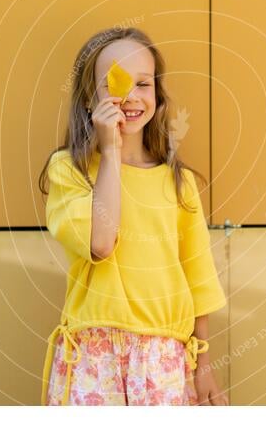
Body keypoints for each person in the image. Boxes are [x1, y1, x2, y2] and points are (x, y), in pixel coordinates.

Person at [38, 27, 229, 406]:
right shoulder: (69, 171)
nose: (131, 96)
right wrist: (110, 154)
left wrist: (204, 362)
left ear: (157, 96)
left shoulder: (179, 183)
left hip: (163, 358)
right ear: (89, 100)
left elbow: (198, 275)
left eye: (143, 83)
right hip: (94, 355)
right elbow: (100, 242)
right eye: (115, 83)